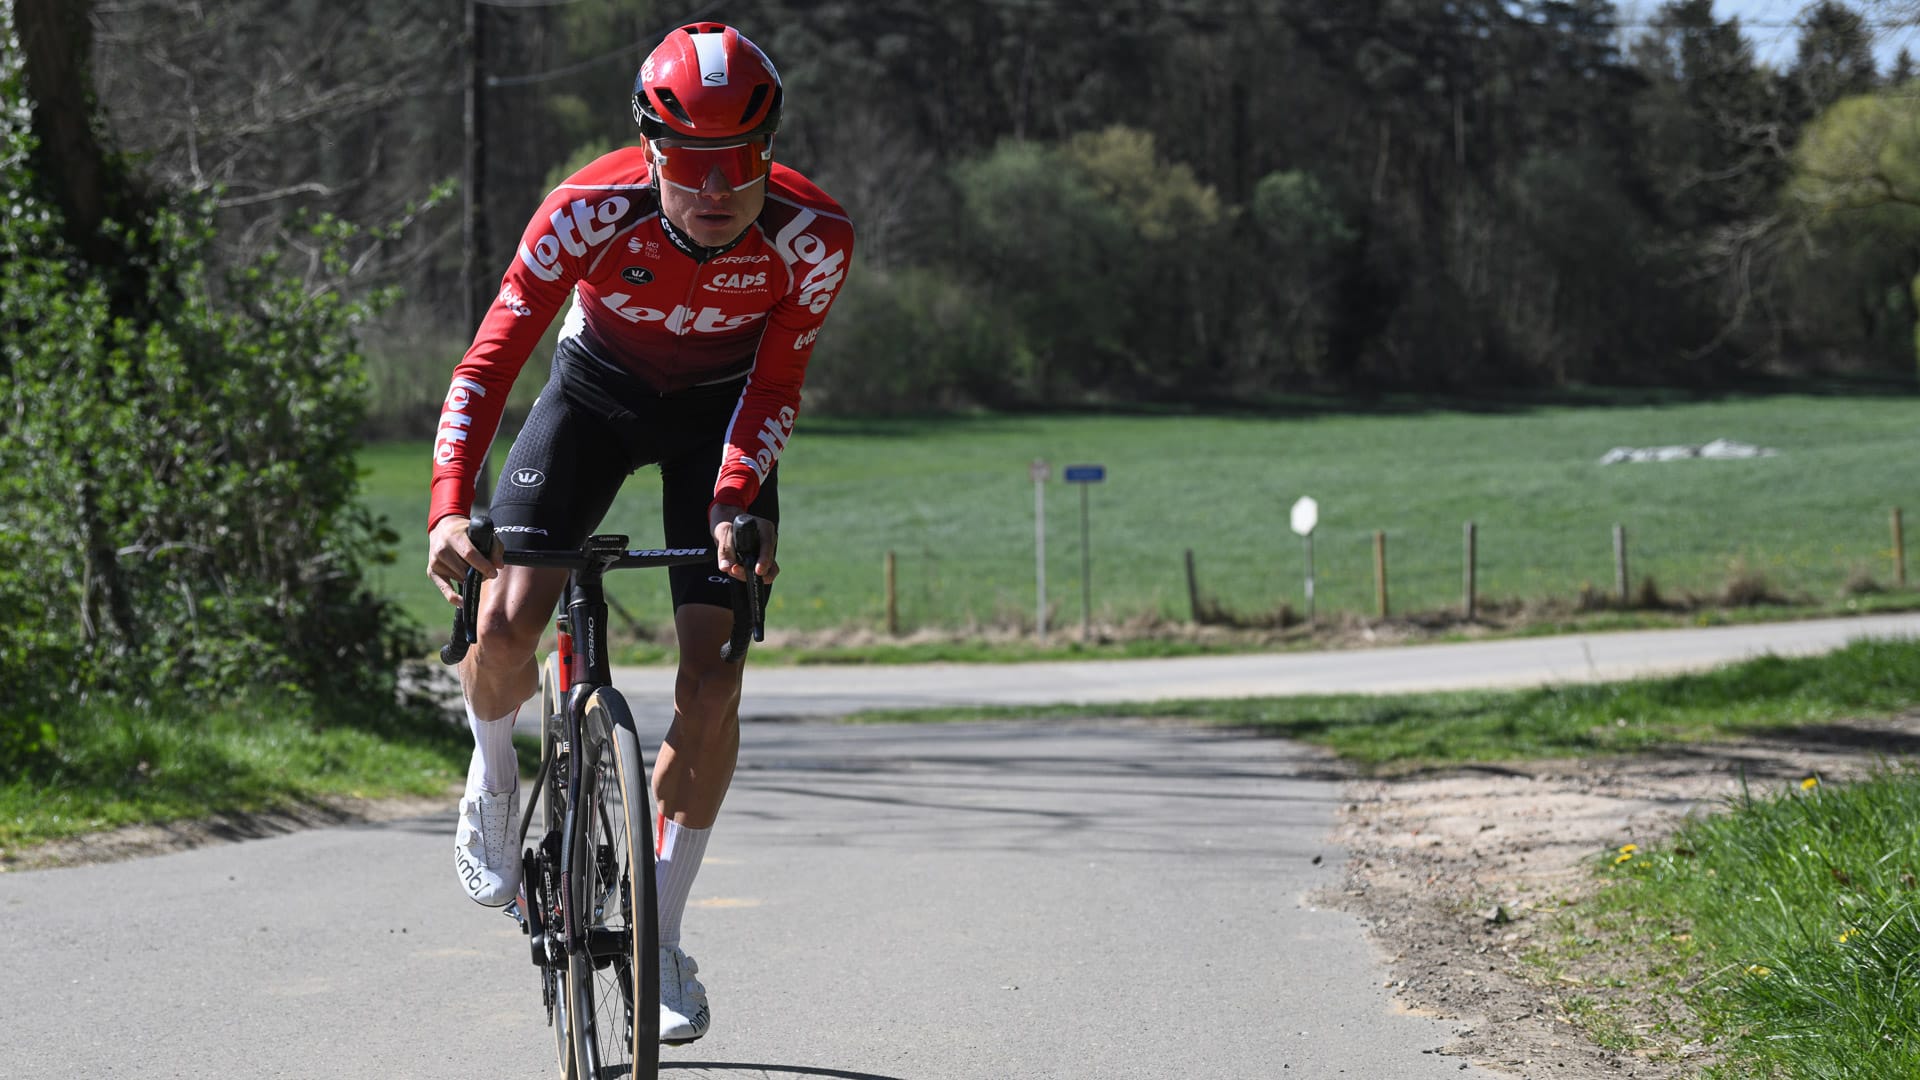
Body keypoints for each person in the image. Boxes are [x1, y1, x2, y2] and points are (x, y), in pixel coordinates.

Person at [424, 21, 853, 1045]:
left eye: (740, 160)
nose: (717, 188)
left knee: (715, 676)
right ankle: (494, 769)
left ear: (769, 152)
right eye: (692, 162)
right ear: (651, 151)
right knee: (506, 621)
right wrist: (447, 505)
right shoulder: (585, 211)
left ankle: (661, 933)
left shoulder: (813, 237)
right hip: (594, 396)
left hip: (721, 423)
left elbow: (777, 385)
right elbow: (488, 365)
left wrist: (735, 498)